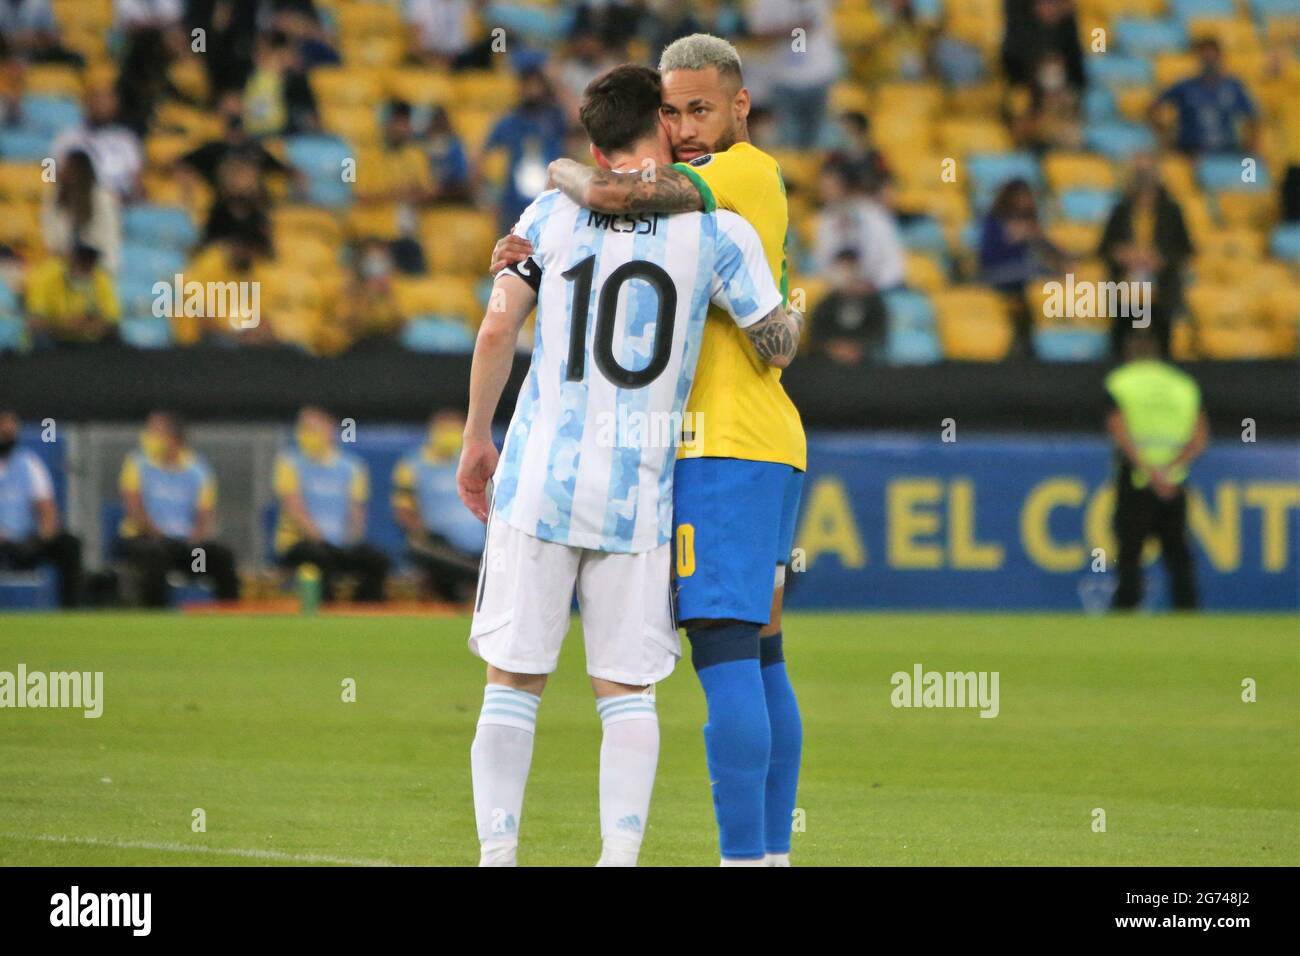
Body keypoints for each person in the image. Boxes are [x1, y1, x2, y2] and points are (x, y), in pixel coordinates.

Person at [457, 63, 799, 868]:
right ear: (658, 123)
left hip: (539, 477)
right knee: (627, 693)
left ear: (593, 137)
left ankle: (498, 857)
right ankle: (618, 860)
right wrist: (779, 302)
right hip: (636, 494)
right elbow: (776, 341)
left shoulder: (548, 213)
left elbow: (496, 331)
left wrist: (479, 434)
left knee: (512, 684)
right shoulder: (714, 230)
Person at [1105, 331, 1207, 610]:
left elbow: (1119, 431)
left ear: (1129, 355)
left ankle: (1126, 609)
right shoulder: (1183, 385)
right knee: (1178, 552)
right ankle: (1187, 611)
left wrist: (1151, 473)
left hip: (1138, 479)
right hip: (1175, 481)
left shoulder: (1121, 382)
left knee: (1130, 551)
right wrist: (1169, 471)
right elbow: (1200, 438)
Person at [114, 411, 240, 607]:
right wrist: (160, 535)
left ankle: (227, 615)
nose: (148, 437)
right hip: (145, 539)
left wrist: (194, 541)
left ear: (172, 438)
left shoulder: (198, 470)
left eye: (155, 432)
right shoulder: (137, 463)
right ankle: (155, 615)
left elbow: (205, 515)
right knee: (155, 555)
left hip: (185, 546)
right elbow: (134, 508)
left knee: (220, 557)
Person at [272, 407, 389, 603]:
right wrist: (322, 540)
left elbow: (357, 513)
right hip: (299, 543)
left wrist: (350, 542)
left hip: (339, 544)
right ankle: (327, 609)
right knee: (321, 558)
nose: (306, 434)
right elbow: (294, 508)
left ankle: (365, 612)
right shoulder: (289, 463)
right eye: (303, 429)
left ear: (329, 430)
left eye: (313, 429)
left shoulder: (352, 467)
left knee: (376, 560)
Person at [1098, 153, 1194, 358]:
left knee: (1163, 342)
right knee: (1121, 342)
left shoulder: (1171, 212)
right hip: (1127, 288)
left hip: (1160, 289)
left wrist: (1160, 258)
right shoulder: (1120, 211)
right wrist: (1122, 254)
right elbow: (1104, 248)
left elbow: (1185, 248)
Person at [392, 411, 482, 602]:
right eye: (445, 429)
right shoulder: (412, 465)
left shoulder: (476, 463)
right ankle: (478, 577)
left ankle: (479, 577)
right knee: (420, 548)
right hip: (440, 544)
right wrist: (422, 532)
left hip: (480, 543)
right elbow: (403, 512)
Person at [0, 410, 81, 607]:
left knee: (69, 544)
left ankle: (69, 613)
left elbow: (47, 509)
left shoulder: (29, 463)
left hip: (23, 542)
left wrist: (42, 537)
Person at [1150, 37, 1258, 156]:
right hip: (1191, 152)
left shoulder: (1233, 87)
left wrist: (1249, 145)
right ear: (1199, 59)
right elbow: (1154, 107)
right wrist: (1165, 136)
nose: (1210, 62)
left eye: (1213, 58)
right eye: (1205, 58)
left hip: (1226, 151)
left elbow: (1252, 117)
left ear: (1220, 58)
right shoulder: (1185, 87)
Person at [40, 148, 121, 274]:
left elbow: (108, 238)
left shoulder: (102, 199)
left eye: (68, 169)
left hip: (96, 266)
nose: (63, 173)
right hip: (62, 264)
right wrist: (65, 255)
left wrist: (88, 261)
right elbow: (50, 235)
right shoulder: (54, 197)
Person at [24, 244, 120, 348]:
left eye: (90, 262)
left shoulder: (100, 278)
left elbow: (113, 320)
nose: (86, 268)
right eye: (82, 262)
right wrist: (64, 324)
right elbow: (34, 322)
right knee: (40, 339)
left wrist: (95, 325)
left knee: (114, 338)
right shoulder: (46, 276)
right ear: (69, 259)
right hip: (56, 338)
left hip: (88, 339)